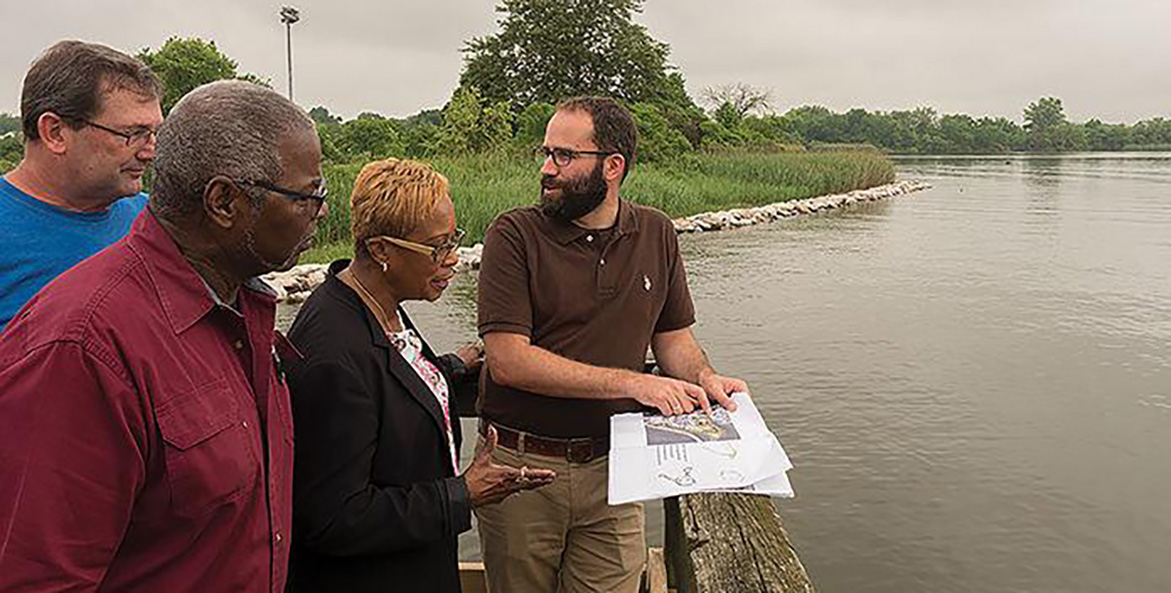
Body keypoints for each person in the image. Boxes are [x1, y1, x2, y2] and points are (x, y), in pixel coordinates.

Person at [0, 80, 327, 591]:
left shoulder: (242, 305)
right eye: (309, 195)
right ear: (224, 202)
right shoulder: (82, 346)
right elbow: (38, 577)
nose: (322, 210)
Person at [475, 96, 751, 592]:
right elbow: (508, 360)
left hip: (617, 470)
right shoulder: (513, 234)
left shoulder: (656, 232)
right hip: (520, 472)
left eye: (564, 155)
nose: (546, 168)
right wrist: (634, 384)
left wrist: (704, 379)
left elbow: (673, 341)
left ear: (613, 167)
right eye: (546, 152)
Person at [285, 158, 554, 593]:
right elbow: (333, 518)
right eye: (437, 247)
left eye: (455, 240)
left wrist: (446, 367)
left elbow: (392, 385)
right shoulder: (332, 353)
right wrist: (461, 494)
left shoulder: (377, 308)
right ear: (381, 250)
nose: (452, 259)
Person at [0, 40, 162, 331]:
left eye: (152, 133)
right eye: (133, 134)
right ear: (55, 132)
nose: (149, 151)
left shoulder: (153, 221)